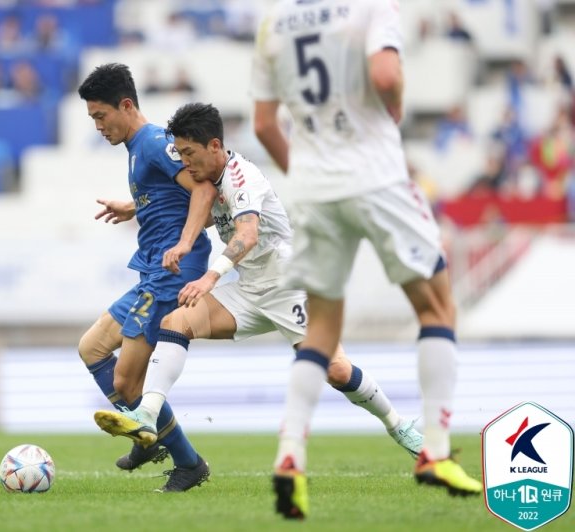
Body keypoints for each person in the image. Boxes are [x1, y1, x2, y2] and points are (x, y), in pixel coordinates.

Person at [250, 0, 483, 519]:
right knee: (438, 308)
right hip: (377, 177)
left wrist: (310, 178)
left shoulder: (273, 23)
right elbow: (383, 72)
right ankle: (436, 453)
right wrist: (395, 103)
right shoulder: (372, 7)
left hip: (315, 190)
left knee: (320, 333)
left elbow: (264, 125)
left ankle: (290, 455)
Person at [92, 102, 424, 462]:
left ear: (215, 146)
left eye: (189, 153)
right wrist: (137, 209)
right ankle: (147, 416)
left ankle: (398, 424)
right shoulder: (209, 179)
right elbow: (203, 214)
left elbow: (247, 235)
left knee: (336, 370)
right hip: (249, 290)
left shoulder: (241, 178)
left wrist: (210, 276)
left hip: (290, 285)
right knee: (176, 322)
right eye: (181, 154)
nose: (185, 163)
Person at [76, 63, 217, 492]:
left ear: (125, 105)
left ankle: (179, 457)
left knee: (126, 382)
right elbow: (173, 194)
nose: (98, 126)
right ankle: (154, 439)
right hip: (153, 270)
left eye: (101, 116)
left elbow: (205, 190)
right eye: (92, 120)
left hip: (173, 273)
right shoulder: (138, 149)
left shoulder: (155, 143)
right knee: (92, 348)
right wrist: (135, 206)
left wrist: (184, 244)